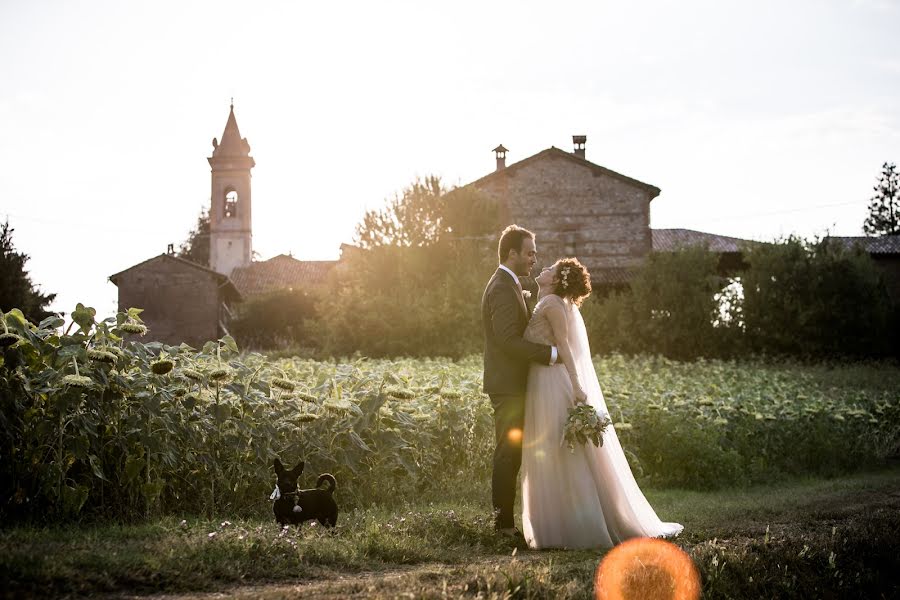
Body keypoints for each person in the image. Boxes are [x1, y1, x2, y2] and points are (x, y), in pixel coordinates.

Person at [521, 257, 683, 549]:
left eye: (551, 269)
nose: (543, 269)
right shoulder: (548, 301)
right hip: (540, 379)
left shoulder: (555, 305)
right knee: (550, 448)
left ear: (556, 281)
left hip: (551, 381)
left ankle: (576, 525)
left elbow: (565, 346)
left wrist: (576, 383)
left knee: (561, 451)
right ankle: (553, 522)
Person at [481, 225, 578, 539]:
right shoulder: (500, 288)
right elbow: (508, 340)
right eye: (530, 253)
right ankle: (503, 526)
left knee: (515, 451)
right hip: (507, 385)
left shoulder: (510, 285)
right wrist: (550, 354)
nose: (534, 259)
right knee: (508, 451)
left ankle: (508, 523)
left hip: (515, 383)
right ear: (512, 253)